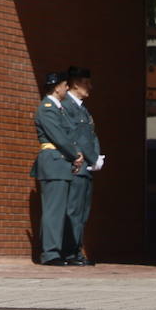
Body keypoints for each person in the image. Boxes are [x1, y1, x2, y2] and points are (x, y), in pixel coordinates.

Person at [31, 70, 84, 266]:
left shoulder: (58, 108)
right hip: (53, 161)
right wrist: (75, 154)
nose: (66, 88)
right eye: (64, 85)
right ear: (56, 87)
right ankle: (51, 253)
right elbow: (58, 136)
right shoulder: (47, 108)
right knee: (54, 210)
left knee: (60, 210)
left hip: (61, 162)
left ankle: (56, 250)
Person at [63, 65, 103, 266]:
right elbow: (77, 138)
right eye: (86, 83)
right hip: (77, 167)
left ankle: (76, 249)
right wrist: (92, 156)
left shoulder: (83, 109)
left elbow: (91, 135)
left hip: (86, 166)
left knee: (83, 211)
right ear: (75, 84)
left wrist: (97, 157)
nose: (90, 87)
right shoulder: (67, 106)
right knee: (74, 211)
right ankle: (70, 252)